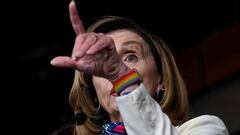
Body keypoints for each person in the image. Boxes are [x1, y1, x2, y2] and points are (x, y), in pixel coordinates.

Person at [50, 1, 229, 135]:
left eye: (131, 56)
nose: (114, 66)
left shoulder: (205, 128)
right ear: (93, 93)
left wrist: (120, 75)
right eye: (102, 63)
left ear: (162, 81)